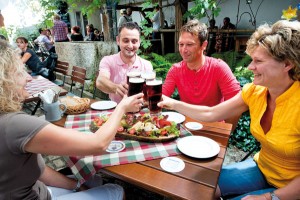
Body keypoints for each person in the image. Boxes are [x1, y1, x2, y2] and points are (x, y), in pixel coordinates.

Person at [158, 20, 300, 200]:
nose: (250, 67)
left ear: (287, 64)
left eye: (258, 61)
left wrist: (269, 197)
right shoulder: (254, 91)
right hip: (262, 169)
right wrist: (173, 103)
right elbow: (211, 113)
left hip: (292, 187)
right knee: (200, 187)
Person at [0, 39, 145, 199]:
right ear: (4, 81)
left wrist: (77, 186)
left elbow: (39, 169)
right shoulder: (15, 124)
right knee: (116, 190)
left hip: (37, 190)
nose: (28, 78)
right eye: (20, 72)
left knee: (93, 180)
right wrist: (122, 107)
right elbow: (98, 144)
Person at [162, 19, 241, 128]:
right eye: (181, 44)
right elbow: (161, 96)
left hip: (214, 128)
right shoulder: (175, 70)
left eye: (189, 44)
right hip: (187, 128)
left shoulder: (219, 68)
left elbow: (236, 105)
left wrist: (225, 131)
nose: (183, 50)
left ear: (204, 45)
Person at [96, 22, 153, 103]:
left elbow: (150, 93)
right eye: (126, 41)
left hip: (140, 110)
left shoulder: (146, 65)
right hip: (116, 110)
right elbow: (100, 81)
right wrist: (115, 88)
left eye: (134, 41)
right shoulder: (108, 60)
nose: (130, 46)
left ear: (139, 42)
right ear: (118, 40)